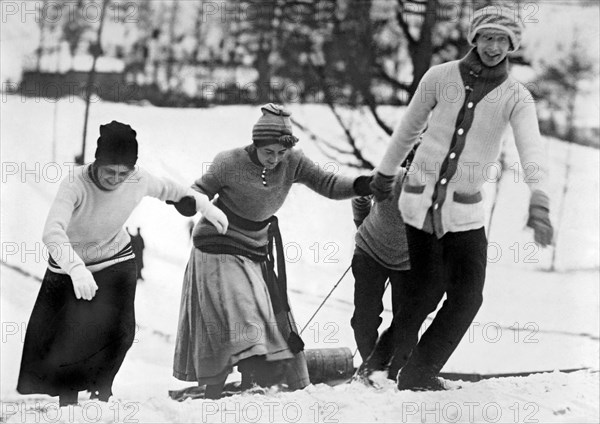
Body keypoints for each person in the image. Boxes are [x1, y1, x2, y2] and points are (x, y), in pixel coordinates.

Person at [369, 6, 553, 391]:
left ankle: (417, 370)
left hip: (464, 213)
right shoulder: (439, 77)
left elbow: (531, 149)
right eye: (487, 37)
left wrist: (539, 197)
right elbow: (408, 128)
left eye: (503, 40)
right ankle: (381, 363)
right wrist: (385, 173)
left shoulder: (516, 96)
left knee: (468, 296)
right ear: (475, 38)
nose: (493, 46)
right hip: (418, 205)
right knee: (425, 292)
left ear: (512, 45)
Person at [17, 121, 228, 406]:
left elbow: (172, 190)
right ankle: (68, 401)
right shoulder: (75, 184)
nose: (116, 179)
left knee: (121, 331)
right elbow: (52, 233)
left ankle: (102, 390)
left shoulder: (137, 179)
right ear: (97, 162)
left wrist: (204, 205)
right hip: (70, 266)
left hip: (116, 259)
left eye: (123, 173)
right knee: (71, 335)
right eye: (109, 172)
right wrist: (76, 269)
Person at [172, 103, 373, 399]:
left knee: (274, 320)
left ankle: (259, 379)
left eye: (281, 153)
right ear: (256, 144)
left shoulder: (293, 161)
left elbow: (328, 183)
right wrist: (188, 201)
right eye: (269, 153)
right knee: (244, 311)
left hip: (255, 248)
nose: (275, 160)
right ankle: (230, 382)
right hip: (217, 244)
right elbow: (199, 189)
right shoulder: (228, 162)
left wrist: (363, 184)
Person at [350, 147, 418, 380]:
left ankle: (395, 375)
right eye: (411, 165)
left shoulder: (437, 193)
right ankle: (370, 369)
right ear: (406, 163)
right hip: (370, 251)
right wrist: (361, 222)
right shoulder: (388, 176)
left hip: (408, 263)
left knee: (407, 323)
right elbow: (359, 194)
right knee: (364, 320)